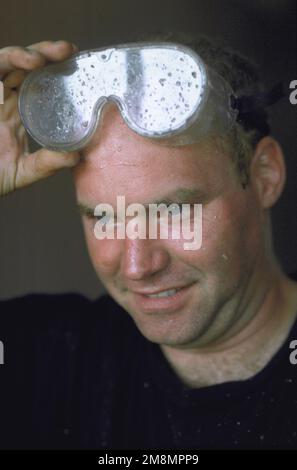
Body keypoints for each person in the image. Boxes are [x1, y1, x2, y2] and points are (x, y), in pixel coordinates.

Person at [0, 34, 296, 450]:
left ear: (265, 175)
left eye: (173, 211)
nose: (138, 265)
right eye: (104, 216)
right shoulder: (41, 362)